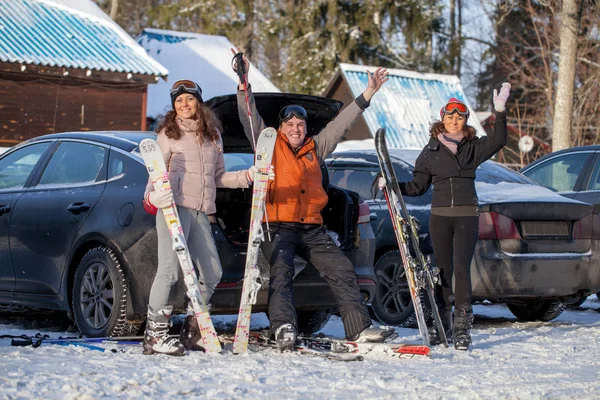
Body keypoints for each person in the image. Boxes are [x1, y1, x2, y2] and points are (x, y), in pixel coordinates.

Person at [232, 49, 397, 351]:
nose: (295, 130)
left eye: (300, 125)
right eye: (290, 126)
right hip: (279, 227)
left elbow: (342, 124)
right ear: (280, 128)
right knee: (281, 271)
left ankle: (358, 330)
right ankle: (283, 326)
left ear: (306, 128)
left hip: (312, 228)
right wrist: (243, 79)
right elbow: (249, 115)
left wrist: (368, 92)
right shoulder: (267, 145)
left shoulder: (316, 147)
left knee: (342, 269)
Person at [381, 83, 511, 351]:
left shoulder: (473, 147)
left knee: (462, 270)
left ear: (465, 120)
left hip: (466, 216)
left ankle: (462, 328)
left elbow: (499, 140)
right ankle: (441, 324)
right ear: (442, 120)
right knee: (441, 271)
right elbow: (418, 186)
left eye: (459, 117)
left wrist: (500, 110)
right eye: (449, 116)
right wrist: (392, 185)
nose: (454, 121)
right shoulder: (430, 152)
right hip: (439, 217)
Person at [142, 79, 266, 355]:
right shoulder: (167, 134)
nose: (184, 104)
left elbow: (218, 177)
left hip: (201, 212)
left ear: (198, 101)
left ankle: (193, 328)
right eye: (178, 101)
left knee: (212, 272)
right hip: (173, 210)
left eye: (189, 99)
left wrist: (247, 176)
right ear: (174, 106)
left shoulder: (213, 135)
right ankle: (155, 334)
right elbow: (154, 174)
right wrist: (152, 198)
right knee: (170, 271)